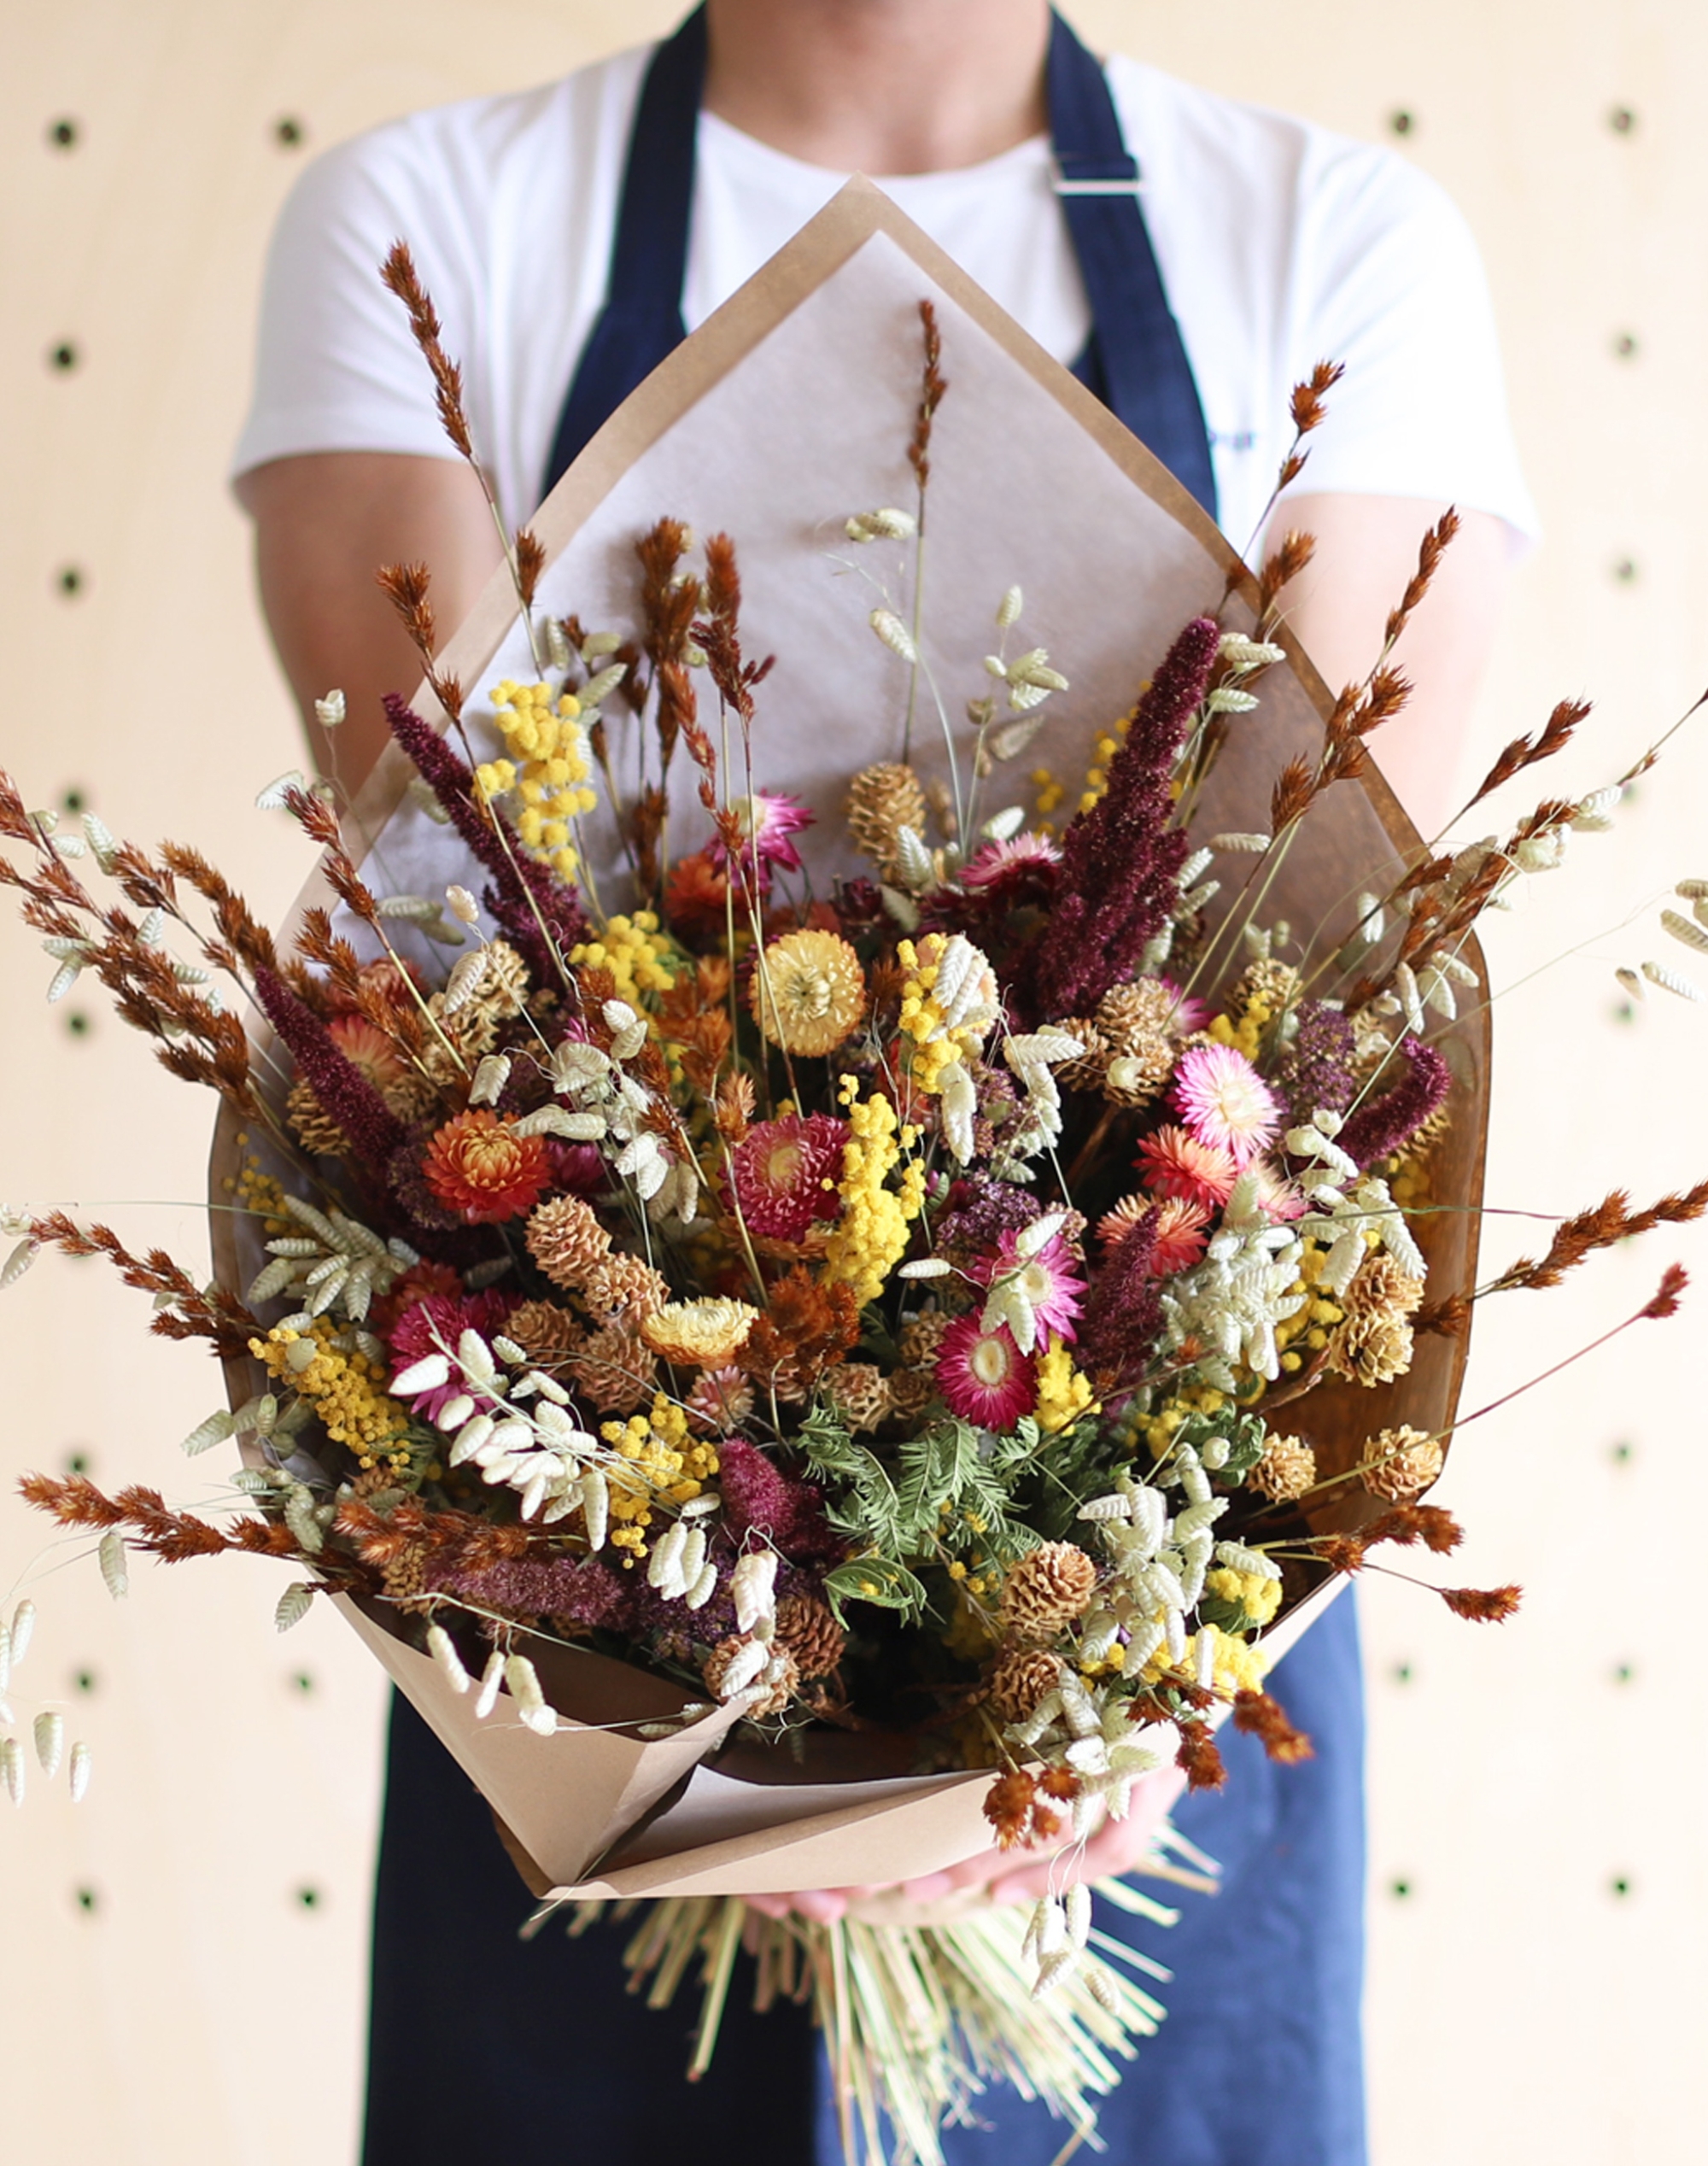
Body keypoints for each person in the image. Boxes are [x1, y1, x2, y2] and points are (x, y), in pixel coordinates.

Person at [232, 6, 1537, 2160]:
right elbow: (460, 935)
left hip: (1151, 1670)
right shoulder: (430, 222)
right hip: (584, 1608)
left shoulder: (1330, 241)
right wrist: (687, 1709)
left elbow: (1295, 1001)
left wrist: (1110, 1683)